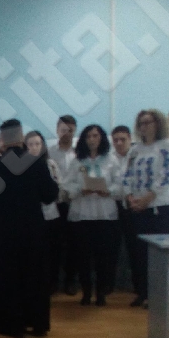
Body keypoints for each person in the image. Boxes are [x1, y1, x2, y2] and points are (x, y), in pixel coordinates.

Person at [0, 119, 59, 337]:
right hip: (33, 229)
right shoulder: (37, 164)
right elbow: (50, 195)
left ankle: (11, 325)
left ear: (2, 140)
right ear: (22, 138)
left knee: (7, 277)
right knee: (35, 275)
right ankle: (37, 323)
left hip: (5, 230)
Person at [63, 125, 122, 306]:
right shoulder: (77, 161)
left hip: (104, 213)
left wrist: (108, 190)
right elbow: (67, 184)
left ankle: (101, 292)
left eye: (95, 136)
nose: (92, 139)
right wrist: (80, 189)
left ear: (101, 138)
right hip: (82, 213)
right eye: (88, 136)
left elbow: (120, 183)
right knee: (83, 256)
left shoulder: (111, 160)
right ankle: (86, 292)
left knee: (103, 256)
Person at [124, 109, 169, 307]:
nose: (144, 127)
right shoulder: (135, 149)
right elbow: (127, 174)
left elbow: (165, 175)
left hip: (159, 206)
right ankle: (143, 293)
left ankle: (158, 295)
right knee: (140, 252)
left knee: (158, 254)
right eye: (141, 123)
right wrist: (130, 196)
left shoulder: (166, 145)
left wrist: (147, 198)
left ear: (158, 124)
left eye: (148, 122)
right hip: (138, 206)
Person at [26, 131, 63, 294]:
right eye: (30, 144)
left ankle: (51, 283)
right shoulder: (21, 167)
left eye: (37, 144)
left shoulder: (50, 164)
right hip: (31, 217)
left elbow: (58, 185)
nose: (34, 147)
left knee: (51, 252)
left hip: (50, 214)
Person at [47, 115, 79, 296]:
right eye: (63, 130)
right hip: (55, 205)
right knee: (54, 245)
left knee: (74, 244)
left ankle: (70, 281)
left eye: (70, 130)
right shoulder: (50, 152)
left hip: (75, 203)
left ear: (75, 131)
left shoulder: (79, 153)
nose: (66, 133)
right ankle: (52, 281)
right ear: (57, 130)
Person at [110, 125, 140, 295]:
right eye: (116, 140)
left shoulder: (137, 156)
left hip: (134, 206)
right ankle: (109, 285)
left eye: (123, 139)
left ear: (130, 139)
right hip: (113, 206)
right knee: (111, 248)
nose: (119, 143)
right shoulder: (108, 158)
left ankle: (138, 287)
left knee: (135, 248)